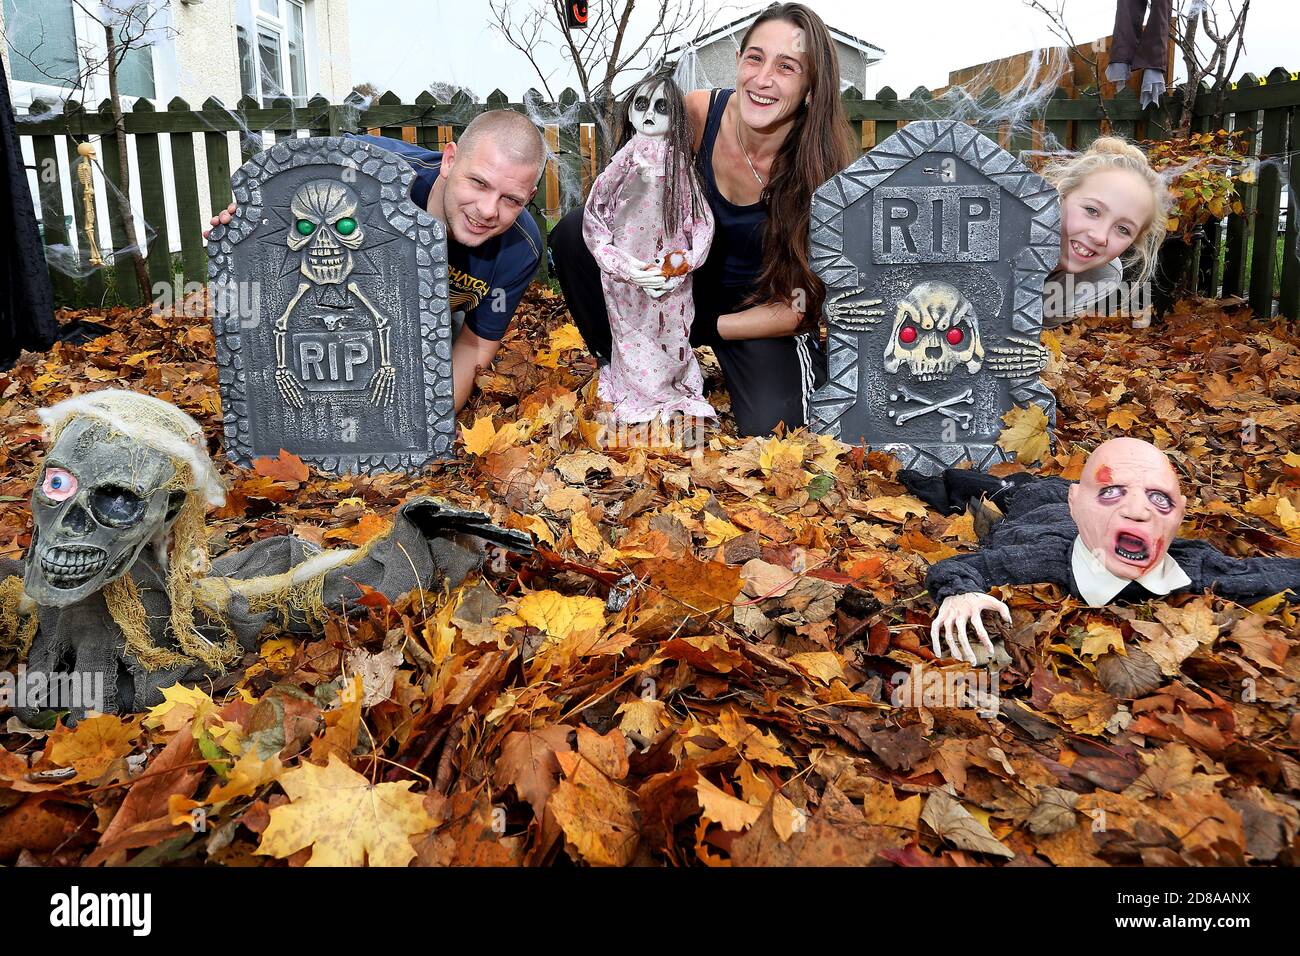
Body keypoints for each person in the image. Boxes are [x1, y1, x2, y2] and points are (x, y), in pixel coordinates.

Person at [549, 1, 857, 437]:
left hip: (754, 313)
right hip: (674, 288)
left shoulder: (821, 171)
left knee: (778, 429)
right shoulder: (693, 116)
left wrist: (707, 327)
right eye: (755, 58)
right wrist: (644, 275)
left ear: (810, 87)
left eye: (787, 67)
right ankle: (625, 365)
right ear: (737, 62)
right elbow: (623, 208)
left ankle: (757, 366)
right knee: (573, 234)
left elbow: (800, 307)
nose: (763, 79)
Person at [208, 110, 546, 411]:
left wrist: (432, 425)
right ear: (449, 160)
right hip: (330, 306)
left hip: (431, 322)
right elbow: (288, 194)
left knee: (431, 350)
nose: (488, 210)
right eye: (478, 182)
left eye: (511, 199)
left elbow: (474, 345)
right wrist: (243, 228)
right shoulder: (366, 170)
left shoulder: (520, 248)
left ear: (529, 197)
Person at [899, 439, 1300, 664]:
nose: (1139, 510)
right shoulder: (1043, 557)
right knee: (998, 488)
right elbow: (964, 566)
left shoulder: (1188, 561)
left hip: (1075, 502)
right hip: (1035, 503)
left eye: (1159, 499)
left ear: (1179, 514)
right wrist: (959, 592)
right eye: (1114, 493)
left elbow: (1260, 574)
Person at [583, 68, 716, 424]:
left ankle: (670, 392)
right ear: (630, 110)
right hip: (626, 273)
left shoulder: (680, 166)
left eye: (661, 107)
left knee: (670, 335)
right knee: (630, 336)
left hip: (669, 272)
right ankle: (636, 394)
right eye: (642, 104)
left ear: (674, 114)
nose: (650, 114)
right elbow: (595, 221)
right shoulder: (621, 163)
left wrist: (681, 264)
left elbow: (700, 221)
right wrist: (625, 268)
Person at [1039, 136, 1170, 328]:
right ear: (1061, 195)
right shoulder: (1001, 233)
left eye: (1123, 229)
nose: (1100, 237)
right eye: (1092, 211)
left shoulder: (1101, 274)